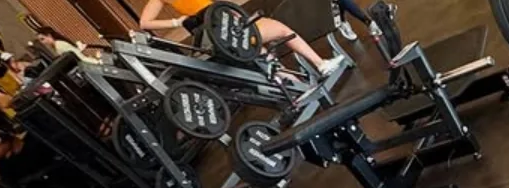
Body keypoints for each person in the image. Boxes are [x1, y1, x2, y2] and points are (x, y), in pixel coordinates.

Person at [136, 0, 349, 79]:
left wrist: (177, 22)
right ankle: (321, 64)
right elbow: (144, 24)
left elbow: (145, 23)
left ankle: (294, 83)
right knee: (282, 30)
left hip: (217, 32)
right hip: (223, 26)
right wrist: (177, 22)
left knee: (260, 53)